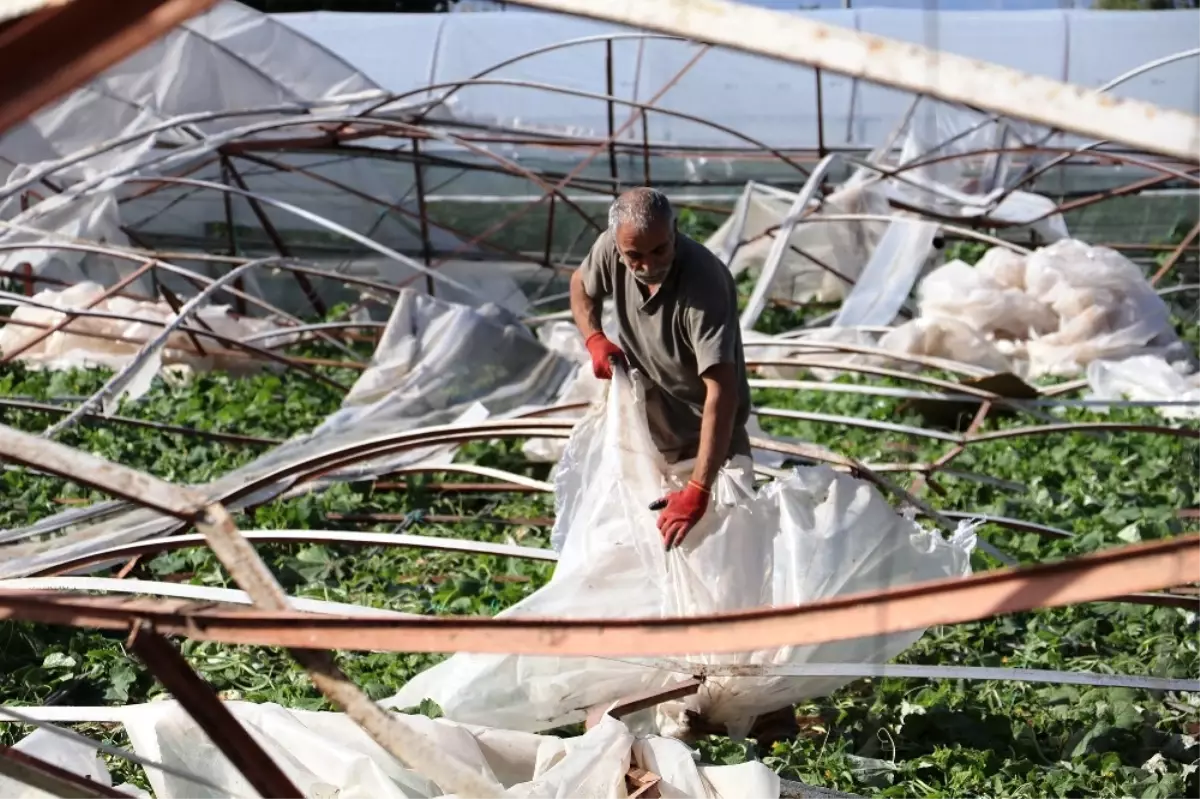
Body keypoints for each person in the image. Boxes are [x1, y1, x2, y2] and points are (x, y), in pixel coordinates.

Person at [569, 187, 753, 550]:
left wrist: (698, 490)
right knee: (632, 554)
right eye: (634, 256)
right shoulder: (612, 248)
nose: (649, 265)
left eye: (660, 249)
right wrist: (594, 339)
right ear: (618, 247)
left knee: (721, 557)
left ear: (675, 231)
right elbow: (580, 284)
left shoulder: (703, 287)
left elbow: (722, 391)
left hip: (707, 445)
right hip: (647, 436)